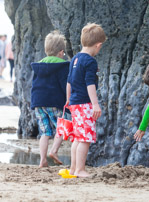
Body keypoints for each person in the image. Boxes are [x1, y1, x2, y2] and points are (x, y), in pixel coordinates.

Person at [65, 23, 106, 178]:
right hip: (84, 104)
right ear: (98, 45)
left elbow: (68, 81)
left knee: (77, 137)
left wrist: (68, 99)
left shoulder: (75, 59)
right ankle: (80, 169)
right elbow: (90, 84)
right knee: (85, 138)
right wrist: (95, 104)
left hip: (74, 102)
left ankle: (73, 169)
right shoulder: (90, 61)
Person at [30, 30, 70, 168]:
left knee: (45, 132)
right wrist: (68, 100)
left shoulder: (38, 65)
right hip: (54, 102)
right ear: (61, 52)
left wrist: (34, 102)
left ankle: (42, 160)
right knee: (62, 127)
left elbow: (34, 85)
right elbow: (65, 85)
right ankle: (54, 151)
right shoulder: (63, 66)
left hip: (38, 103)